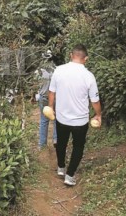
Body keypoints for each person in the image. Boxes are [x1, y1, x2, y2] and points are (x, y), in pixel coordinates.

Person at [48, 44, 101, 186]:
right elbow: (94, 100)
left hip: (62, 117)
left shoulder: (59, 71)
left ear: (71, 55)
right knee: (78, 147)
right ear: (86, 59)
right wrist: (98, 115)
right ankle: (70, 175)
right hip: (80, 121)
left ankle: (60, 167)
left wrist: (51, 107)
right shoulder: (89, 76)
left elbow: (52, 92)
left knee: (61, 143)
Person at [36, 51, 57, 149]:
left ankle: (42, 144)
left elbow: (35, 85)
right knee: (56, 120)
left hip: (43, 98)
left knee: (44, 120)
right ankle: (56, 139)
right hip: (56, 98)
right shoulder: (56, 70)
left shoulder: (39, 71)